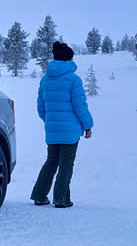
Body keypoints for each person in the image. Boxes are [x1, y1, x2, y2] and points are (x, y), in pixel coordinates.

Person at [30, 41, 93, 208]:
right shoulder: (73, 79)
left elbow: (41, 107)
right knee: (66, 164)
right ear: (69, 59)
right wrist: (87, 125)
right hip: (70, 130)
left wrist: (51, 121)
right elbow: (80, 105)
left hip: (52, 129)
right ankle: (61, 199)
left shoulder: (45, 79)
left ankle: (39, 195)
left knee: (51, 161)